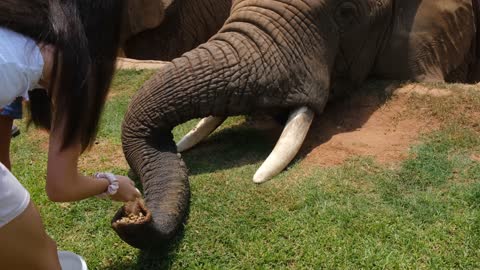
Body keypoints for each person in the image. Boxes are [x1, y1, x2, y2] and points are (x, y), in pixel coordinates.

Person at [0, 0, 141, 268]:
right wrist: (110, 183)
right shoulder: (69, 61)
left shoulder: (17, 35)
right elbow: (61, 186)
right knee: (44, 259)